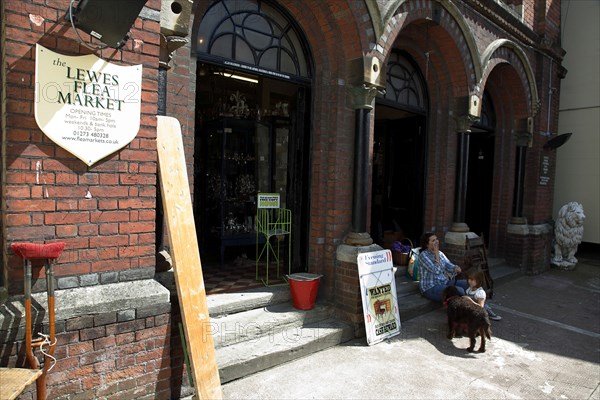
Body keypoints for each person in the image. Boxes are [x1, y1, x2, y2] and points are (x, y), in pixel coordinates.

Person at [418, 232, 469, 302]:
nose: (436, 242)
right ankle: (466, 307)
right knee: (459, 291)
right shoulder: (423, 256)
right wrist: (436, 254)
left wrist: (455, 268)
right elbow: (436, 270)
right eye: (433, 241)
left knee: (467, 283)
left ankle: (474, 304)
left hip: (444, 282)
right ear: (427, 244)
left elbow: (448, 264)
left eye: (436, 239)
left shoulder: (440, 253)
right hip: (430, 287)